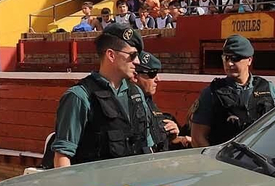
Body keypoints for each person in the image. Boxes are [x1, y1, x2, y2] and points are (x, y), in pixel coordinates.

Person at [47, 30, 152, 167]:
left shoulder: (136, 93)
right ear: (111, 55)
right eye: (132, 55)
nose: (137, 61)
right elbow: (62, 156)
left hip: (136, 185)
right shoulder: (80, 96)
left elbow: (148, 145)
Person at [191, 34, 275, 147]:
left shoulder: (268, 88)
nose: (229, 63)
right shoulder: (212, 93)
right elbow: (197, 137)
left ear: (249, 60)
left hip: (262, 159)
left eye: (235, 58)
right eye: (226, 58)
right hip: (227, 161)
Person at [133, 52, 186, 151]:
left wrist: (172, 137)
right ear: (135, 76)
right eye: (152, 74)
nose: (158, 79)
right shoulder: (128, 104)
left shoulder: (149, 102)